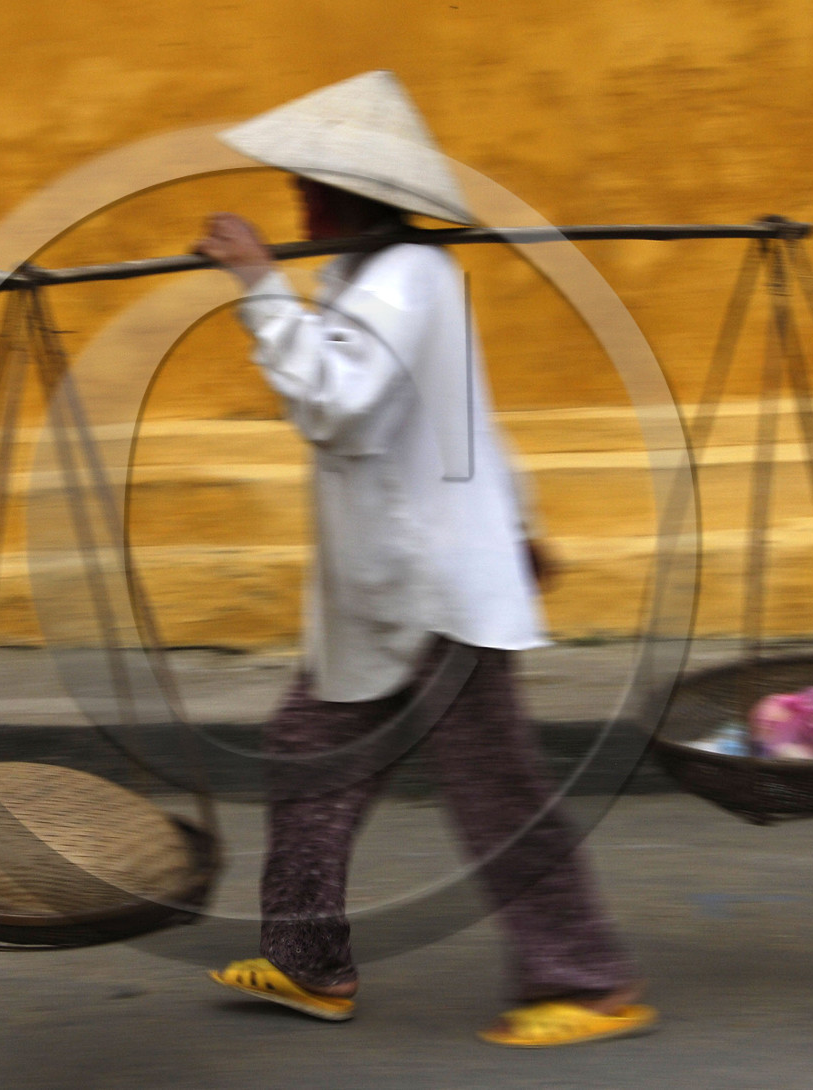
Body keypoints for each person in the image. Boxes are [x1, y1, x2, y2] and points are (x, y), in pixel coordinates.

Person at [192, 70, 656, 1047]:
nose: (298, 206)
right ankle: (307, 959)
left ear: (349, 195)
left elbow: (336, 404)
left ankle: (586, 981)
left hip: (435, 590)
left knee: (495, 787)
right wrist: (524, 517)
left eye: (309, 189)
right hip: (383, 591)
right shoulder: (372, 279)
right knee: (306, 754)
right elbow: (464, 418)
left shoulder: (405, 279)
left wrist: (258, 287)